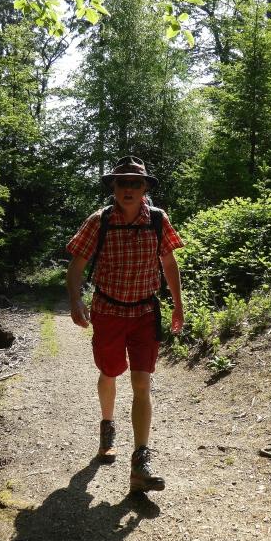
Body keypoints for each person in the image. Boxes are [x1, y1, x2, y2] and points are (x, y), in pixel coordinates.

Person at [66, 155, 184, 493]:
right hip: (108, 312)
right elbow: (76, 266)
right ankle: (107, 426)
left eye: (135, 183)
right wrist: (75, 300)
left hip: (146, 313)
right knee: (109, 372)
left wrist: (178, 305)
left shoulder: (159, 221)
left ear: (145, 187)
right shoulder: (98, 221)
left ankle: (140, 463)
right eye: (122, 183)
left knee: (142, 383)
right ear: (114, 188)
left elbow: (169, 262)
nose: (129, 189)